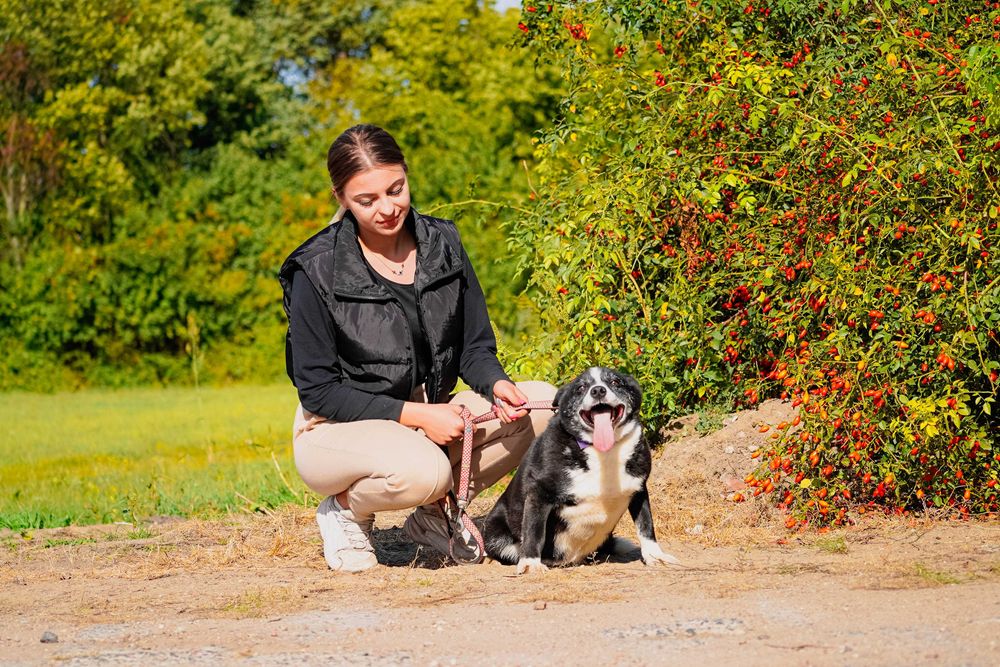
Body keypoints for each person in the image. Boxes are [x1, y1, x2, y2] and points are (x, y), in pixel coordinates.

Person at [278, 124, 556, 572]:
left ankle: (433, 516)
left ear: (406, 174)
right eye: (367, 200)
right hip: (333, 428)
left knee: (542, 407)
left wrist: (496, 382)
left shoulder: (444, 243)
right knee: (427, 471)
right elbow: (319, 391)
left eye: (396, 189)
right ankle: (345, 511)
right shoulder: (314, 269)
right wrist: (419, 416)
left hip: (427, 416)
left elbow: (474, 347)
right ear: (340, 198)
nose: (388, 208)